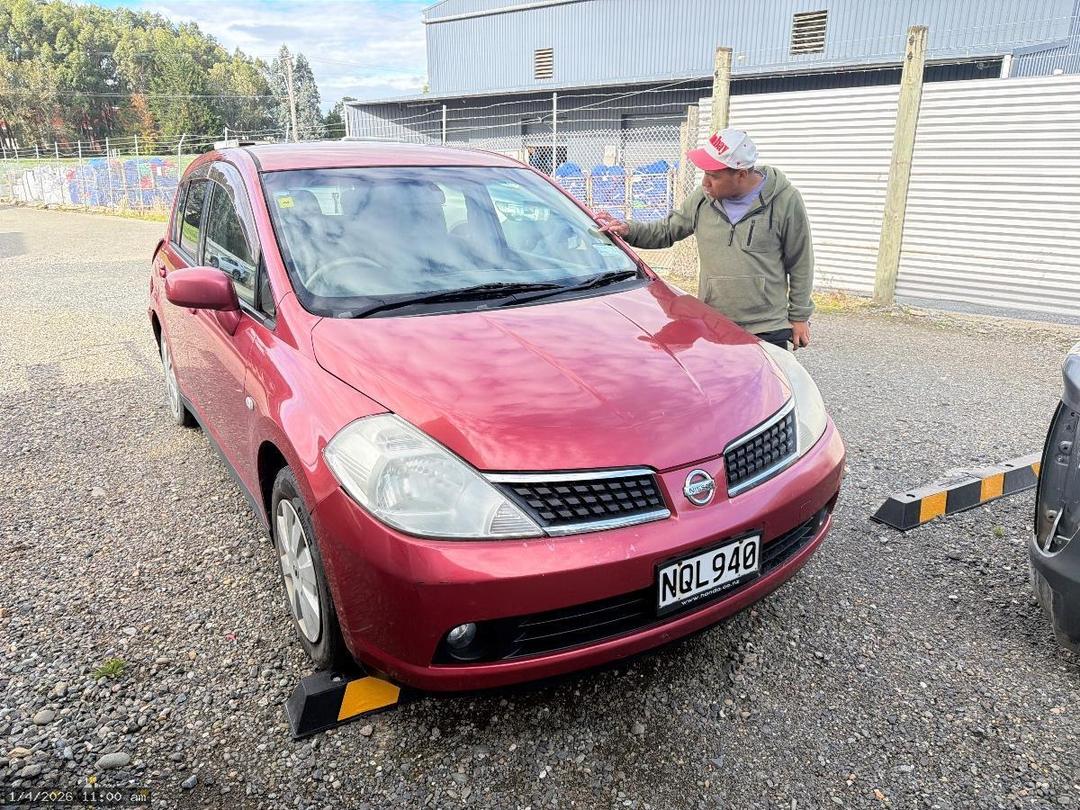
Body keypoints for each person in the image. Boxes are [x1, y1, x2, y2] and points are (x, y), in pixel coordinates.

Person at [595, 129, 814, 350]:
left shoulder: (785, 200)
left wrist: (799, 317)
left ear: (741, 174)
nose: (705, 183)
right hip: (715, 323)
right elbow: (667, 231)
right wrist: (627, 229)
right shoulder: (702, 199)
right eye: (705, 174)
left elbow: (800, 261)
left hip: (767, 328)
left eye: (714, 176)